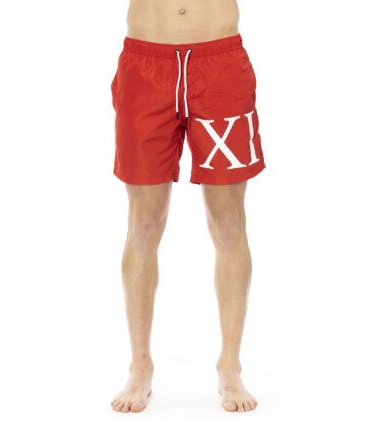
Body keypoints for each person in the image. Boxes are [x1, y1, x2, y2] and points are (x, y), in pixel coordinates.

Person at [110, 0, 266, 413]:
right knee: (144, 222)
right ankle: (140, 366)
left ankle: (230, 366)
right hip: (145, 63)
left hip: (220, 62)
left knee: (228, 221)